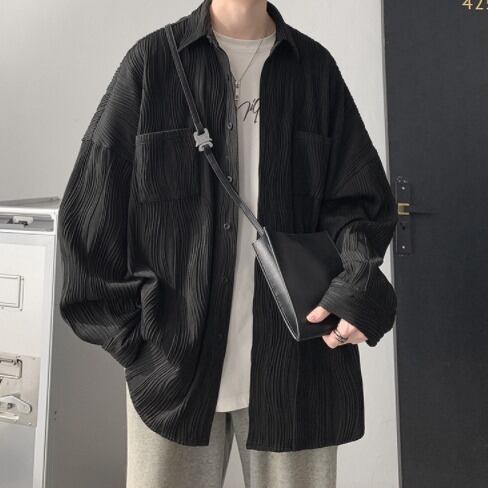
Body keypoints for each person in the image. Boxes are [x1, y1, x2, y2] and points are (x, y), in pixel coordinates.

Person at [58, 0, 399, 487]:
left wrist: (354, 290)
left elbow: (358, 203)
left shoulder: (314, 70)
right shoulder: (152, 64)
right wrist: (138, 342)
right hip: (172, 372)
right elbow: (89, 213)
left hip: (296, 371)